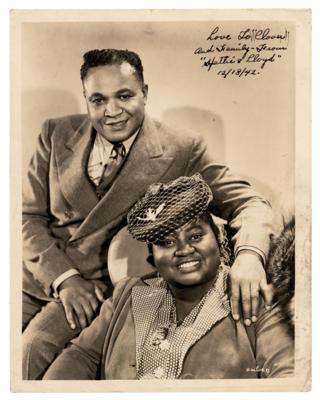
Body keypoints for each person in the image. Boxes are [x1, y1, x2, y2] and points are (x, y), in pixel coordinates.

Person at [22, 49, 274, 379]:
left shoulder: (182, 148)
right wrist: (64, 278)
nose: (111, 112)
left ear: (145, 93)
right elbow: (27, 218)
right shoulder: (55, 133)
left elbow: (249, 204)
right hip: (37, 275)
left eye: (124, 96)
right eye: (97, 100)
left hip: (100, 290)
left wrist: (250, 257)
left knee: (28, 350)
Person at [43, 174, 293, 380]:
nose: (184, 250)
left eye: (195, 236)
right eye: (167, 242)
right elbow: (79, 356)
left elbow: (287, 375)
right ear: (152, 258)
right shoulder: (127, 294)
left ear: (219, 240)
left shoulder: (253, 297)